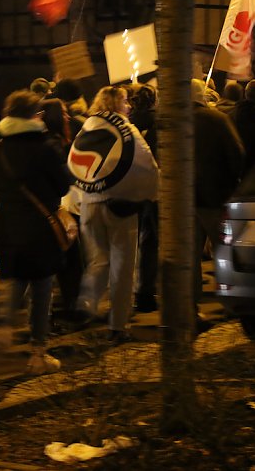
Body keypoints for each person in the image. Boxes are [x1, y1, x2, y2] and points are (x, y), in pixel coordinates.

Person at [0, 90, 73, 373]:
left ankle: (3, 326)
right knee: (42, 286)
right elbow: (62, 186)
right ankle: (38, 353)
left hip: (8, 224)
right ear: (34, 116)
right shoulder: (46, 148)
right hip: (39, 226)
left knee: (16, 279)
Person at [69, 86, 158, 342]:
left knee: (98, 261)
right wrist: (151, 192)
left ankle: (86, 305)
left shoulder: (86, 128)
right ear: (119, 104)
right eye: (125, 101)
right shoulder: (126, 129)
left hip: (89, 205)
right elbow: (146, 164)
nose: (129, 105)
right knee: (122, 265)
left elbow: (75, 165)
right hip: (119, 207)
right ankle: (118, 325)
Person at [193, 80, 244, 330]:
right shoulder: (217, 120)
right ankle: (231, 304)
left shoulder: (172, 122)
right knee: (223, 252)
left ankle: (188, 308)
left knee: (188, 257)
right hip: (216, 197)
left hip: (183, 200)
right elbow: (237, 154)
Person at [40, 98, 82, 314]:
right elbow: (62, 180)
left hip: (46, 208)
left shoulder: (43, 140)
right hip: (53, 209)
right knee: (69, 257)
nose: (67, 117)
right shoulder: (54, 144)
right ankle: (68, 306)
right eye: (63, 113)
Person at [129, 83, 159, 314]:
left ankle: (132, 290)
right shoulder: (159, 122)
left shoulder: (126, 124)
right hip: (152, 190)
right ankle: (147, 292)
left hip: (129, 188)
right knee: (150, 241)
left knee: (130, 241)